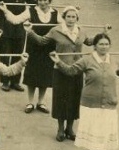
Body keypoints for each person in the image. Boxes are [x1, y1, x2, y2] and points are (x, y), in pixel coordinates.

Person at [51, 34, 119, 150]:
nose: (104, 47)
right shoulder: (86, 60)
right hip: (90, 103)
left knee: (104, 131)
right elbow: (71, 71)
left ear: (109, 46)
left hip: (109, 102)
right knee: (92, 130)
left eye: (106, 44)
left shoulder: (113, 61)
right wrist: (58, 61)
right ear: (95, 46)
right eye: (101, 44)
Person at [25, 7, 98, 141]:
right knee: (61, 99)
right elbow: (42, 41)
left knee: (74, 99)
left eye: (73, 17)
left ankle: (70, 128)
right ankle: (60, 129)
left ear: (77, 18)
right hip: (60, 69)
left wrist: (103, 34)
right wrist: (30, 32)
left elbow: (89, 42)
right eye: (68, 17)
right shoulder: (56, 30)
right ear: (64, 18)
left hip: (77, 70)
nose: (71, 19)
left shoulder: (81, 31)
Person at [0, 0, 57, 113]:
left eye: (45, 0)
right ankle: (30, 102)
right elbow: (15, 20)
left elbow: (65, 26)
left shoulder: (55, 13)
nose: (43, 2)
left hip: (49, 48)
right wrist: (5, 10)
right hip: (33, 47)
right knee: (32, 75)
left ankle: (41, 102)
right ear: (37, 1)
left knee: (45, 76)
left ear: (49, 1)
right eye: (40, 0)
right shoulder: (31, 11)